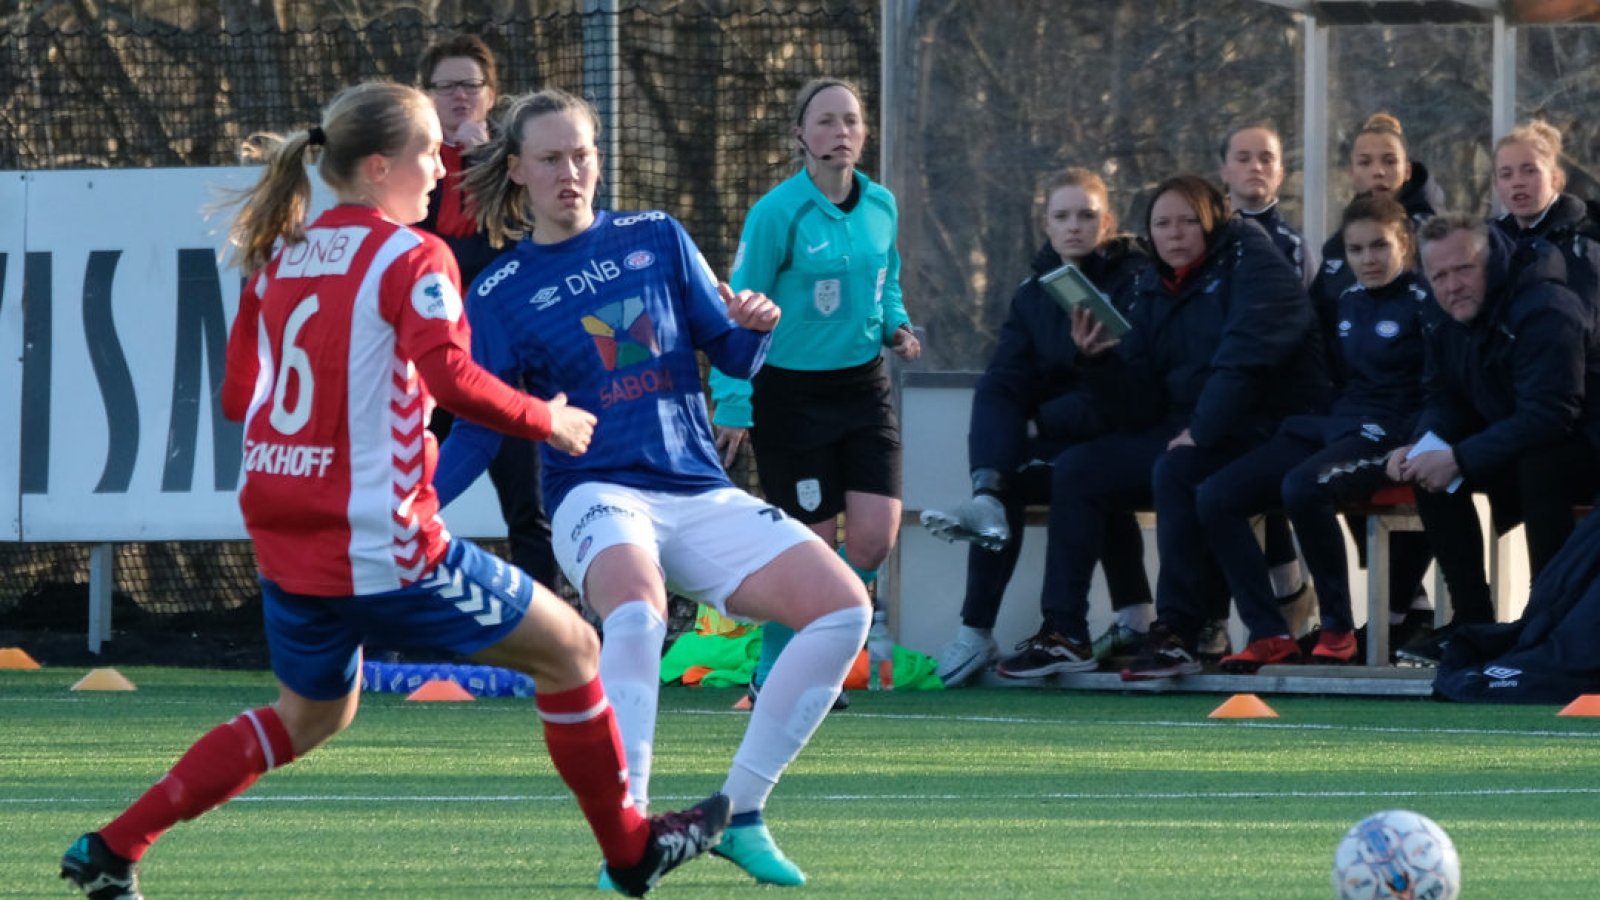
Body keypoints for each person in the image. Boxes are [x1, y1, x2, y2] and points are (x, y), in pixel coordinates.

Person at [57, 82, 727, 900]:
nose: (440, 172)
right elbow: (450, 378)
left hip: (285, 536)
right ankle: (630, 852)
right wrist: (543, 419)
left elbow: (239, 399)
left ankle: (114, 847)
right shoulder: (412, 256)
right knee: (574, 652)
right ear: (379, 166)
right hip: (380, 540)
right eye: (425, 155)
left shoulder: (280, 252)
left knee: (312, 717)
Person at [439, 87, 871, 888]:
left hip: (699, 489)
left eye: (582, 154)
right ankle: (629, 833)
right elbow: (480, 423)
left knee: (845, 607)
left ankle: (739, 812)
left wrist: (759, 323)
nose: (571, 171)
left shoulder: (657, 237)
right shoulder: (498, 291)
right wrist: (419, 508)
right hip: (595, 492)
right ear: (518, 172)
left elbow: (733, 356)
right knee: (637, 613)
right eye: (550, 158)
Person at [1062, 174, 1327, 682]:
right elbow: (1140, 398)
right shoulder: (1153, 284)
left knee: (1182, 471)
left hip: (1271, 428)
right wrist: (1096, 361)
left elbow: (1245, 358)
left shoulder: (1254, 259)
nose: (1174, 234)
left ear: (1214, 221)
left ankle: (1178, 632)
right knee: (1078, 468)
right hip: (1201, 428)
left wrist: (1202, 430)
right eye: (1162, 223)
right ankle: (1063, 633)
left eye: (1187, 221)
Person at [706, 77, 919, 706]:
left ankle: (821, 651)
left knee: (876, 536)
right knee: (810, 547)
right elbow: (735, 313)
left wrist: (895, 327)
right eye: (825, 122)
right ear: (800, 135)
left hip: (862, 387)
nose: (841, 132)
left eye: (851, 121)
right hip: (790, 397)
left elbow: (886, 281)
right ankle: (774, 673)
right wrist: (734, 402)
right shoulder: (778, 213)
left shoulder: (880, 204)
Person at [921, 167, 1152, 684]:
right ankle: (975, 628)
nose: (1075, 227)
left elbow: (1125, 388)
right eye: (1062, 216)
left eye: (1087, 215)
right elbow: (1010, 375)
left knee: (1078, 471)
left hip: (1118, 430)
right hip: (1059, 436)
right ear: (1045, 224)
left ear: (1108, 221)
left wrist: (1045, 415)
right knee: (1000, 438)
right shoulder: (1034, 292)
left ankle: (1105, 626)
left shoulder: (1135, 281)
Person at [1197, 195, 1431, 671]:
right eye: (1357, 249)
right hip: (1336, 423)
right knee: (1216, 494)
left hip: (1389, 432)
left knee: (1303, 486)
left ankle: (1337, 628)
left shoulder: (1425, 303)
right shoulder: (1344, 302)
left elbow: (1441, 387)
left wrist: (1419, 440)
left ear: (1404, 244)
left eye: (1379, 246)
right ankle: (1269, 632)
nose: (1368, 259)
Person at [1386, 213, 1600, 664]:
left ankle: (1546, 619)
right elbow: (1442, 398)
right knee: (1432, 471)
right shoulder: (1442, 317)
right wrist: (1421, 446)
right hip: (1524, 440)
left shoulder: (1545, 307)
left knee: (1540, 461)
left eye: (1464, 269)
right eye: (1439, 275)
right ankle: (1472, 622)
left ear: (1492, 262)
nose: (1452, 285)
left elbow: (1552, 414)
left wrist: (1460, 457)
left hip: (1580, 444)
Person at [413, 32, 555, 588]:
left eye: (470, 86)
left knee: (529, 510)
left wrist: (481, 160)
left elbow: (519, 241)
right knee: (414, 504)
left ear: (490, 95)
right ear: (425, 97)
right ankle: (402, 625)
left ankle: (553, 637)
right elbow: (423, 243)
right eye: (445, 87)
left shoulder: (516, 167)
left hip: (503, 365)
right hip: (429, 362)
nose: (458, 98)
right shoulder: (409, 168)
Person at [1309, 111, 1444, 638]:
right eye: (1365, 161)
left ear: (1407, 168)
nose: (1378, 170)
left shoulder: (1436, 238)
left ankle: (1392, 611)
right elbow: (1323, 334)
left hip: (1414, 416)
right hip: (1353, 409)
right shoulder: (1334, 253)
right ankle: (1403, 604)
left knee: (1415, 473)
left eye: (1389, 160)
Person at [1214, 122, 1318, 650]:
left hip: (1272, 403)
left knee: (1252, 487)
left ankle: (1291, 598)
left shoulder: (1292, 245)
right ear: (1224, 170)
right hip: (1215, 395)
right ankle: (1211, 620)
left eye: (1267, 157)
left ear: (1281, 170)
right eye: (1243, 157)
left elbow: (1292, 329)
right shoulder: (1206, 235)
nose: (1255, 166)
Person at [1490, 119, 1600, 306]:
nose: (1517, 182)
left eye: (1530, 171)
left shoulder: (1584, 240)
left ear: (1555, 178)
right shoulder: (1488, 239)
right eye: (1506, 174)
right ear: (1495, 184)